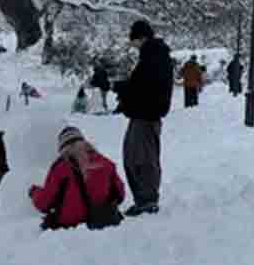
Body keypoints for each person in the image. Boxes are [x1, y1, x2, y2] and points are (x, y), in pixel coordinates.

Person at [113, 19, 173, 216]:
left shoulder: (153, 57)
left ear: (141, 37)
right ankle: (143, 199)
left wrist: (122, 88)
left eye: (134, 41)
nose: (133, 45)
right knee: (133, 156)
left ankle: (147, 200)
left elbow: (144, 87)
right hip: (143, 114)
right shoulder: (152, 56)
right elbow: (141, 85)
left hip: (147, 115)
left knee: (142, 158)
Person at [30, 127, 125, 230]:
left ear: (62, 147)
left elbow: (44, 203)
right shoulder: (106, 163)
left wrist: (34, 192)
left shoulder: (60, 168)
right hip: (105, 220)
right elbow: (120, 195)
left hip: (71, 227)